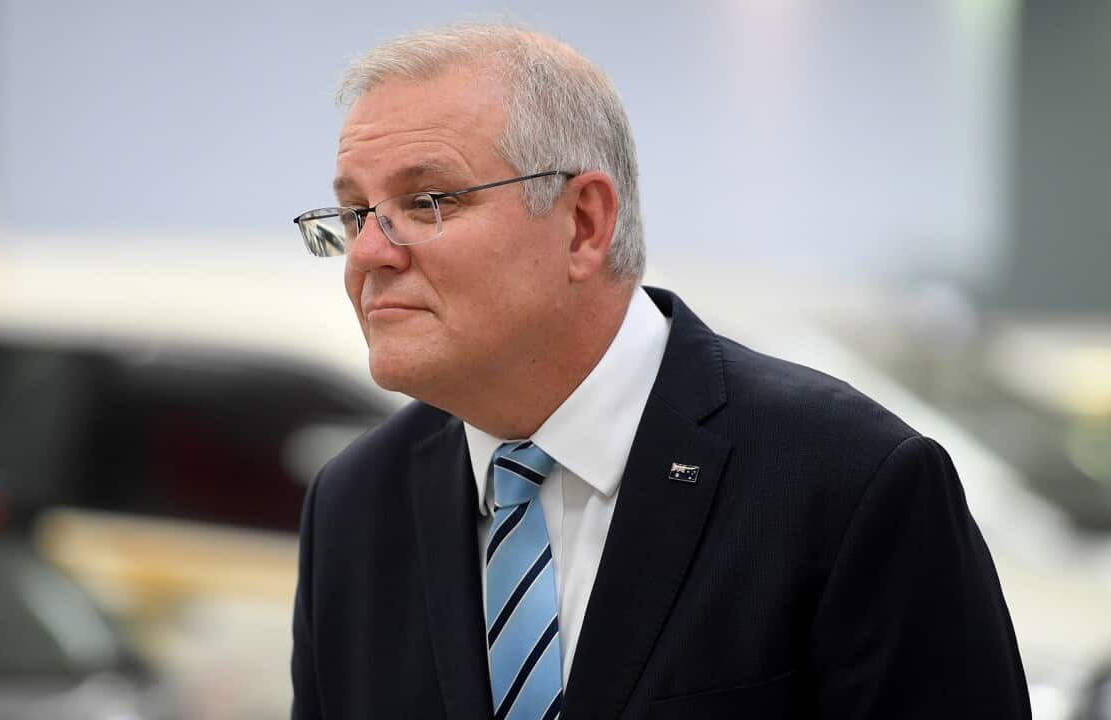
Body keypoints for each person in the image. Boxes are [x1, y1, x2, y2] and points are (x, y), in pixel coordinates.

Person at [289, 23, 1030, 720]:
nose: (366, 254)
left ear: (583, 222)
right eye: (354, 213)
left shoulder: (847, 483)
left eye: (425, 201)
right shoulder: (355, 503)